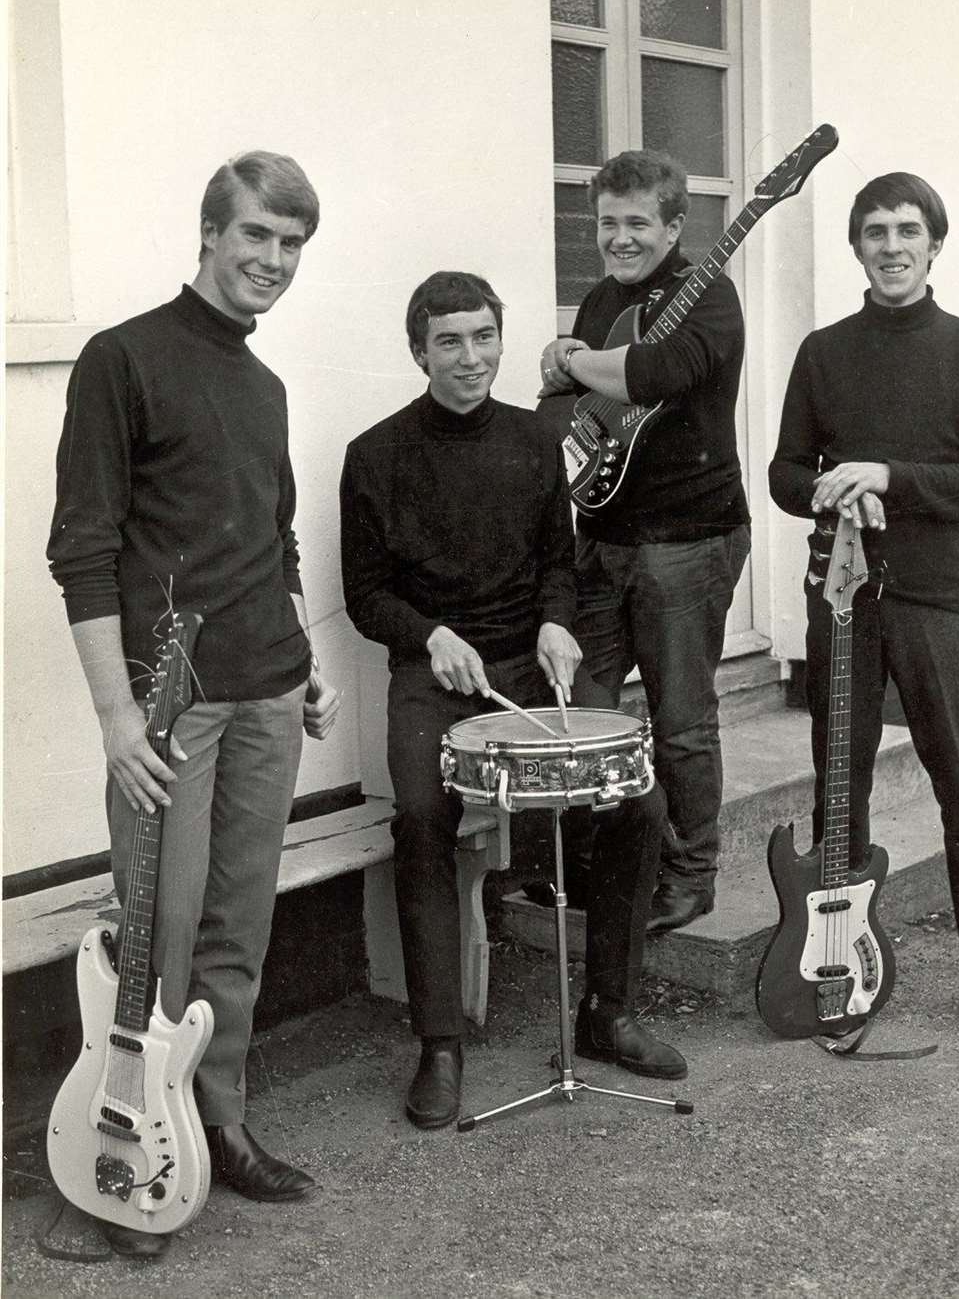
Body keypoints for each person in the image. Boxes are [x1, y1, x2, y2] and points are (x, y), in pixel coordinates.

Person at [47, 151, 342, 1258]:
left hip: (268, 695)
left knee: (237, 933)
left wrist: (301, 653)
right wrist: (119, 720)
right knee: (156, 942)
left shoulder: (263, 386)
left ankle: (212, 1125)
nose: (272, 260)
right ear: (210, 232)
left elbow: (277, 533)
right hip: (169, 716)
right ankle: (115, 1173)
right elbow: (80, 552)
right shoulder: (123, 359)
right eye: (255, 236)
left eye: (291, 244)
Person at [339, 270, 687, 1130]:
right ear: (418, 350)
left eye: (484, 338)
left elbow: (556, 565)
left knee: (637, 801)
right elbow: (365, 594)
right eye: (449, 341)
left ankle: (608, 1010)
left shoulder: (537, 439)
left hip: (527, 663)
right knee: (421, 818)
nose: (470, 358)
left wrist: (556, 624)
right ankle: (440, 1044)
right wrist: (429, 637)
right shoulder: (373, 455)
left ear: (502, 339)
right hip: (436, 671)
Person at [768, 171, 959, 1039]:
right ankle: (840, 961)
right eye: (875, 232)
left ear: (935, 244)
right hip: (843, 601)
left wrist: (888, 476)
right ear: (857, 248)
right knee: (843, 789)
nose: (892, 247)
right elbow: (784, 472)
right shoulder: (824, 352)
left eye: (908, 231)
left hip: (939, 598)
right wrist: (833, 491)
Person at [538, 150, 751, 934]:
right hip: (601, 538)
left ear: (672, 226)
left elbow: (653, 372)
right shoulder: (599, 301)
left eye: (636, 223)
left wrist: (570, 358)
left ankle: (692, 875)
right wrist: (566, 360)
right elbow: (573, 402)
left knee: (683, 719)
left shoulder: (712, 298)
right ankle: (615, 866)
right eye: (606, 223)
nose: (619, 238)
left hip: (687, 540)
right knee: (586, 712)